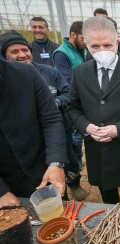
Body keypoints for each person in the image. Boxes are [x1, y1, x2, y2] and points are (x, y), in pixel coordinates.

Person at [67, 16, 120, 205]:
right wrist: (87, 126)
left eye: (107, 45)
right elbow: (73, 108)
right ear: (86, 44)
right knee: (107, 195)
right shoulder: (80, 73)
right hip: (98, 150)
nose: (102, 51)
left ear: (117, 41)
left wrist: (119, 129)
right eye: (95, 47)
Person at [0, 31, 87, 201]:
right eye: (14, 52)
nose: (22, 55)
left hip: (43, 163)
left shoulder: (29, 74)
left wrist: (55, 163)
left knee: (58, 215)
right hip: (7, 178)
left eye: (24, 50)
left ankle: (74, 183)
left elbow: (52, 119)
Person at [0, 58, 67, 208]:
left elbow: (51, 119)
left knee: (59, 218)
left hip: (44, 169)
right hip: (5, 182)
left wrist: (56, 162)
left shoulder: (25, 73)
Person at [53, 21, 87, 171]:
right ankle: (74, 169)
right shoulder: (62, 53)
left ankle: (78, 163)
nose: (86, 42)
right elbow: (67, 80)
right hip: (73, 102)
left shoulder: (81, 50)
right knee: (74, 138)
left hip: (83, 100)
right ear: (73, 35)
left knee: (79, 137)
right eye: (83, 38)